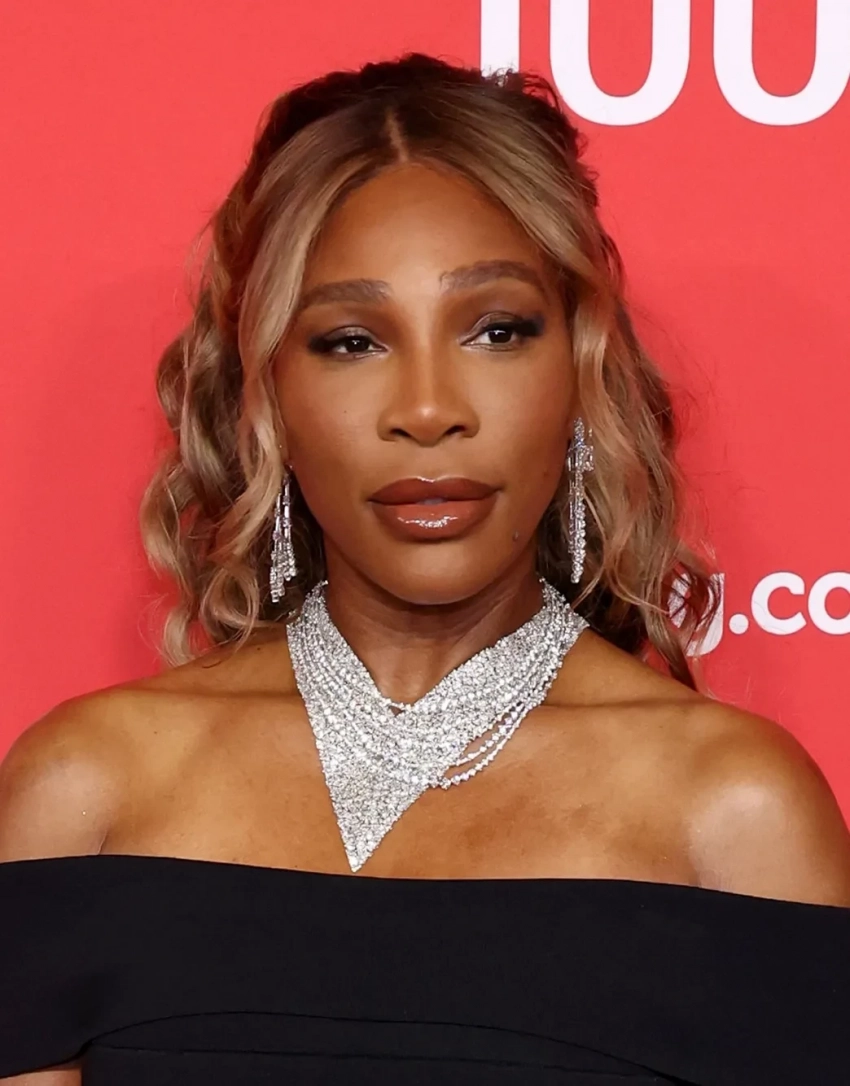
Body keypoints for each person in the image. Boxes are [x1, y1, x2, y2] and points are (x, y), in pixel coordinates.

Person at [1, 52, 850, 1086]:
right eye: (351, 341)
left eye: (496, 330)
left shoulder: (735, 813)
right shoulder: (85, 789)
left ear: (580, 366)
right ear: (266, 395)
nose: (428, 408)